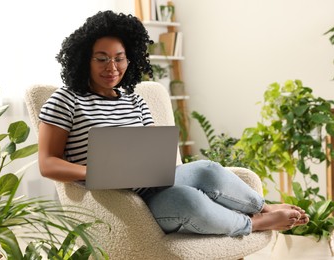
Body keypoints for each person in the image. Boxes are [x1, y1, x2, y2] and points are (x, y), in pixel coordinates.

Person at [38, 10, 309, 236]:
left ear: (129, 59)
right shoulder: (66, 100)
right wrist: (96, 169)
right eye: (101, 59)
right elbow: (47, 163)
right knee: (188, 201)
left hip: (154, 185)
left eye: (119, 58)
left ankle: (261, 207)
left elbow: (153, 150)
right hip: (122, 200)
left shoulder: (135, 100)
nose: (112, 67)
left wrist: (156, 160)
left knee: (208, 169)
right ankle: (253, 223)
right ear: (84, 59)